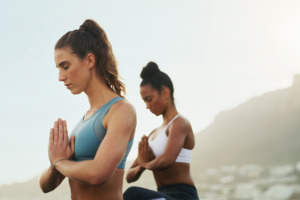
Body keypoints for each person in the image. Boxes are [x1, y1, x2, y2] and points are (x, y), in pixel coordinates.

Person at [39, 19, 136, 200]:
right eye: (58, 69)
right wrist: (55, 162)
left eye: (65, 66)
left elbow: (97, 173)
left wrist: (60, 162)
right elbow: (45, 186)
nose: (60, 77)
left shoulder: (121, 111)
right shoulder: (84, 120)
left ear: (90, 60)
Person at [123, 62, 199, 200]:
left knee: (132, 194)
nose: (147, 106)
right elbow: (129, 176)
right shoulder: (153, 134)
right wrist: (141, 165)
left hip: (183, 196)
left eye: (149, 99)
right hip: (163, 195)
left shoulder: (179, 123)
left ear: (165, 92)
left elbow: (166, 161)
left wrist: (144, 163)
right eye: (144, 101)